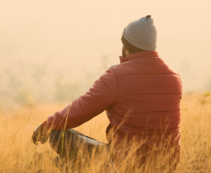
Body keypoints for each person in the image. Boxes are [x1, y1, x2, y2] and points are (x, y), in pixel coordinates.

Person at [32, 15, 182, 171]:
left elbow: (80, 110)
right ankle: (72, 166)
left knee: (57, 135)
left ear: (127, 47)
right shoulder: (174, 77)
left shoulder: (116, 76)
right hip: (166, 164)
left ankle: (74, 166)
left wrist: (46, 126)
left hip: (125, 164)